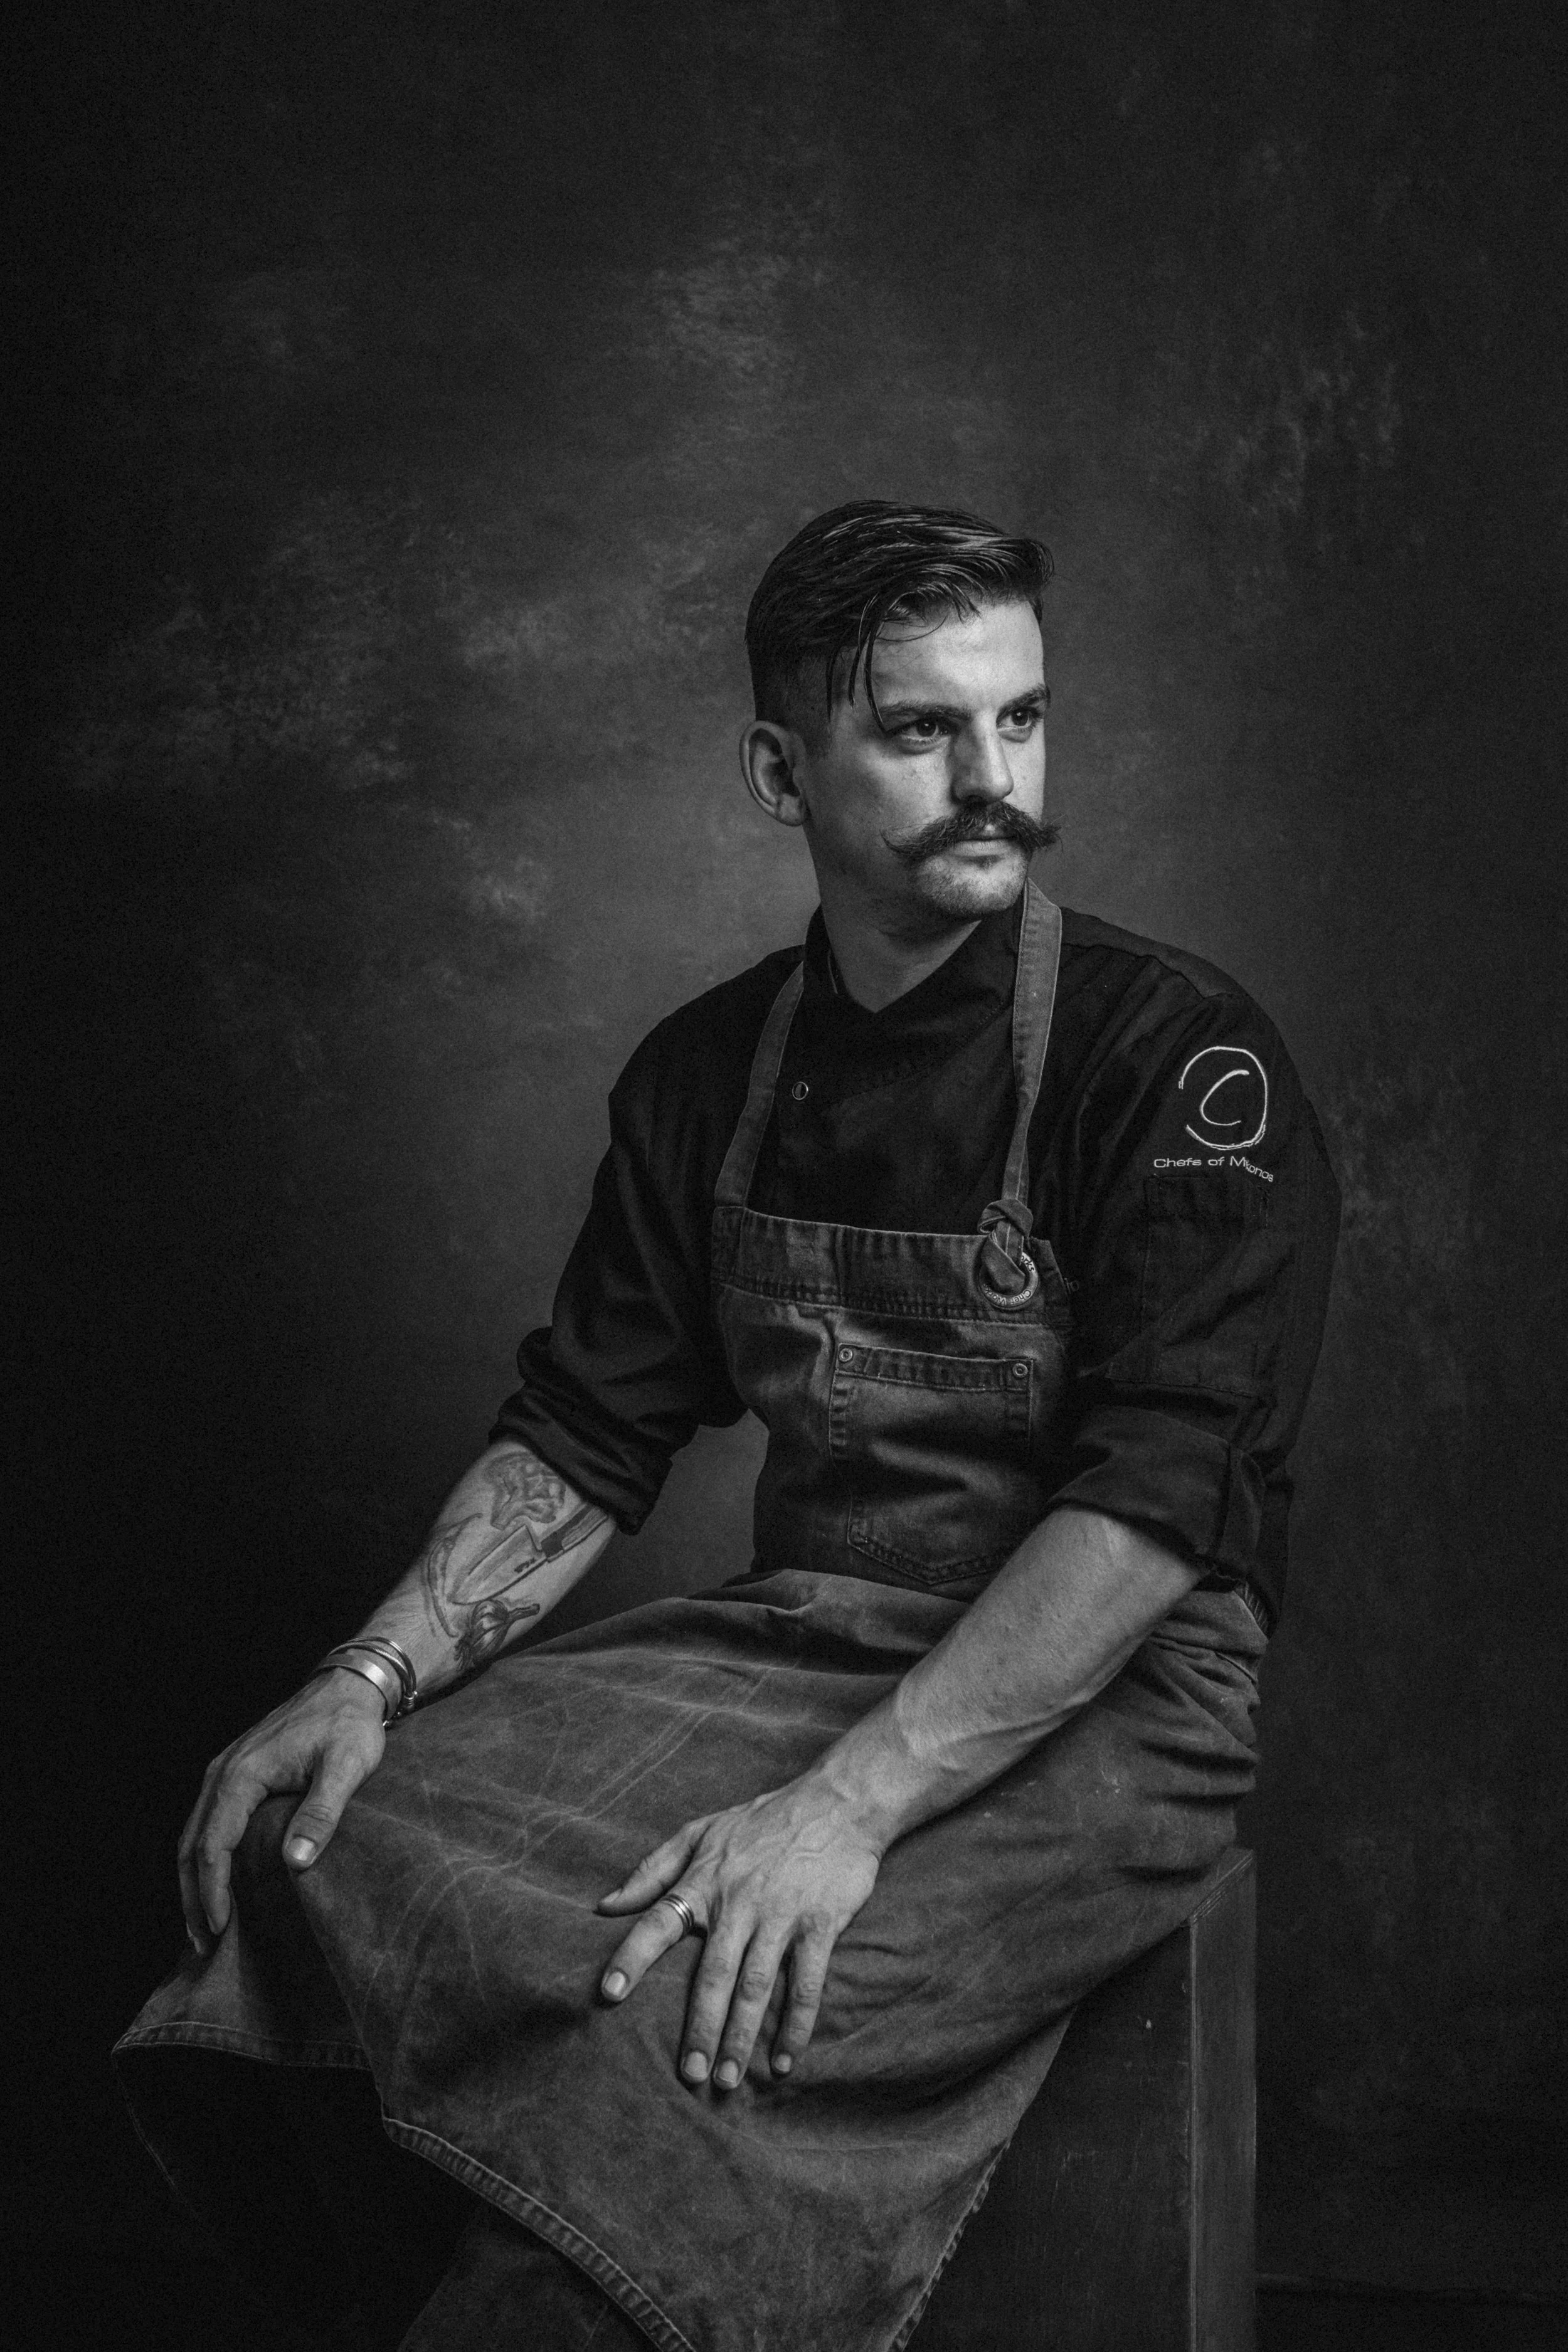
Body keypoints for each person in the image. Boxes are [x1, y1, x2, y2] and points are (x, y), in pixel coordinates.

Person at [119, 501, 1340, 2352]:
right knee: (326, 1859)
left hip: (1115, 1697)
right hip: (798, 1639)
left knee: (668, 2013)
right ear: (782, 769)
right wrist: (365, 1677)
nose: (990, 778)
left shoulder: (1176, 1064)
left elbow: (1151, 1513)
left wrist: (842, 1811)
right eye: (923, 731)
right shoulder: (706, 1073)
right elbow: (589, 1430)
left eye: (1017, 721)